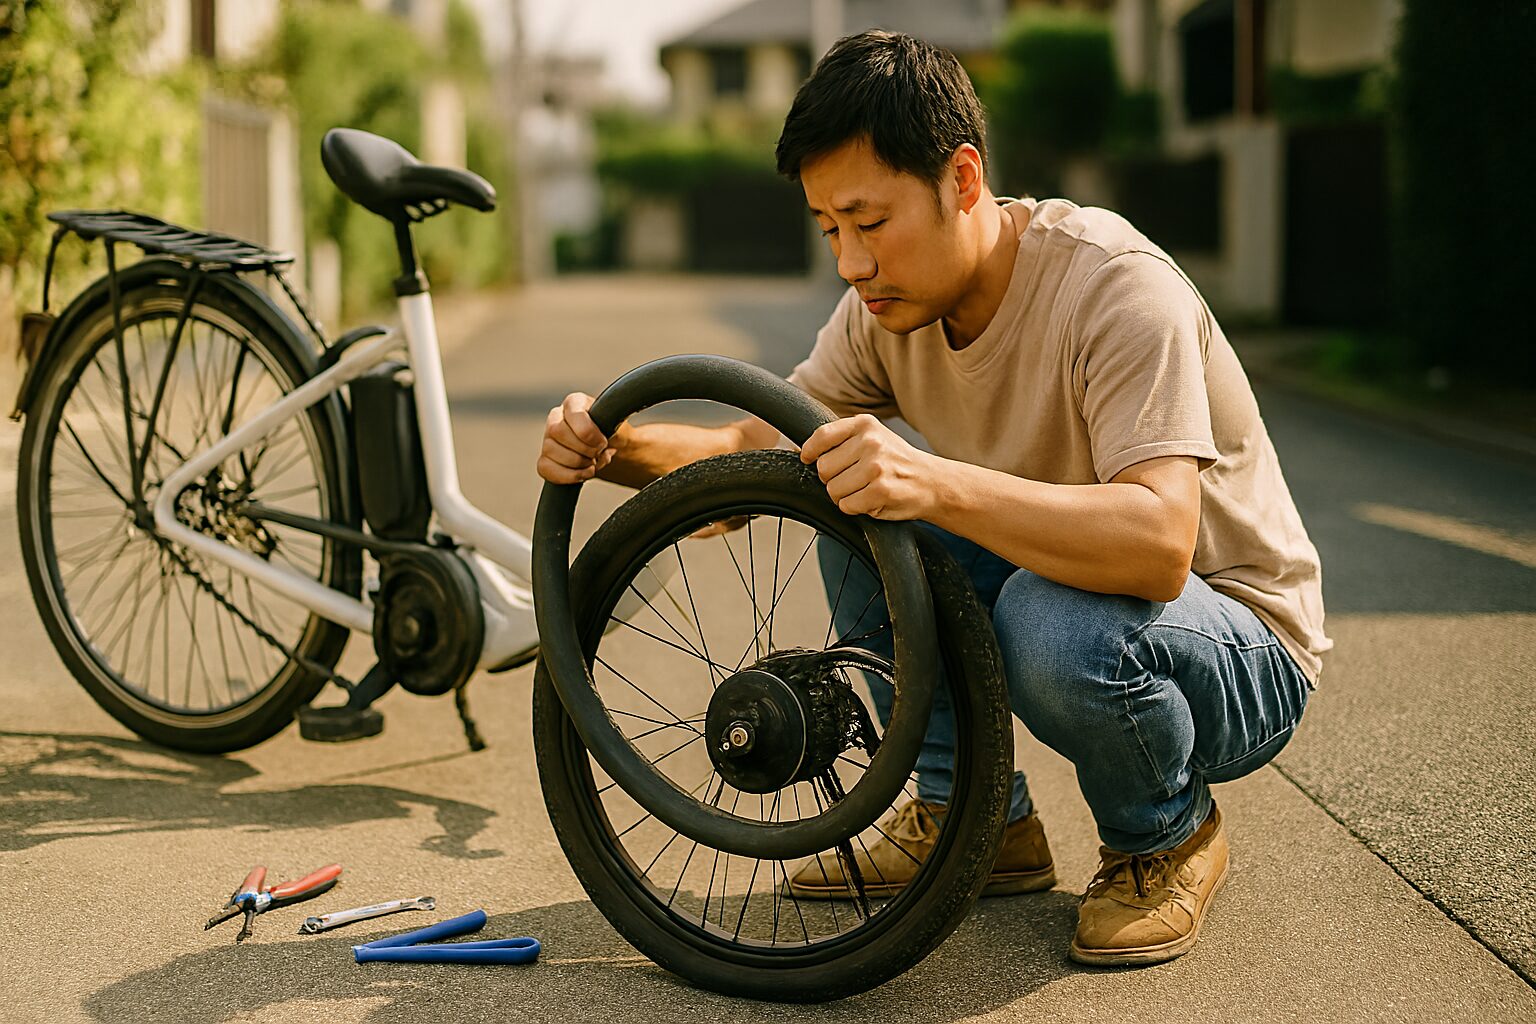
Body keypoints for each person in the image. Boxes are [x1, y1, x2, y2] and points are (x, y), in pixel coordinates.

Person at [537, 30, 1331, 967]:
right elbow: (741, 460)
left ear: (961, 179)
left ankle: (1164, 836)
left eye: (870, 223)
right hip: (1088, 591)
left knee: (1043, 613)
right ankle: (976, 821)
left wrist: (934, 482)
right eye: (830, 230)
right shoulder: (886, 311)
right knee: (837, 491)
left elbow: (1159, 543)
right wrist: (610, 449)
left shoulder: (1115, 288)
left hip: (1238, 645)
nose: (850, 263)